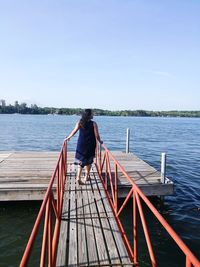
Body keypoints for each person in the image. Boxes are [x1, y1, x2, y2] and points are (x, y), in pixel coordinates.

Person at [65, 109, 103, 184]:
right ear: (89, 115)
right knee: (89, 161)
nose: (93, 115)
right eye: (92, 113)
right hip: (90, 144)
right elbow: (97, 135)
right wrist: (100, 141)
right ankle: (86, 177)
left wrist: (68, 137)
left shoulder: (80, 122)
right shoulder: (93, 123)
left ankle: (78, 177)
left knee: (80, 161)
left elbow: (74, 131)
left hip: (81, 143)